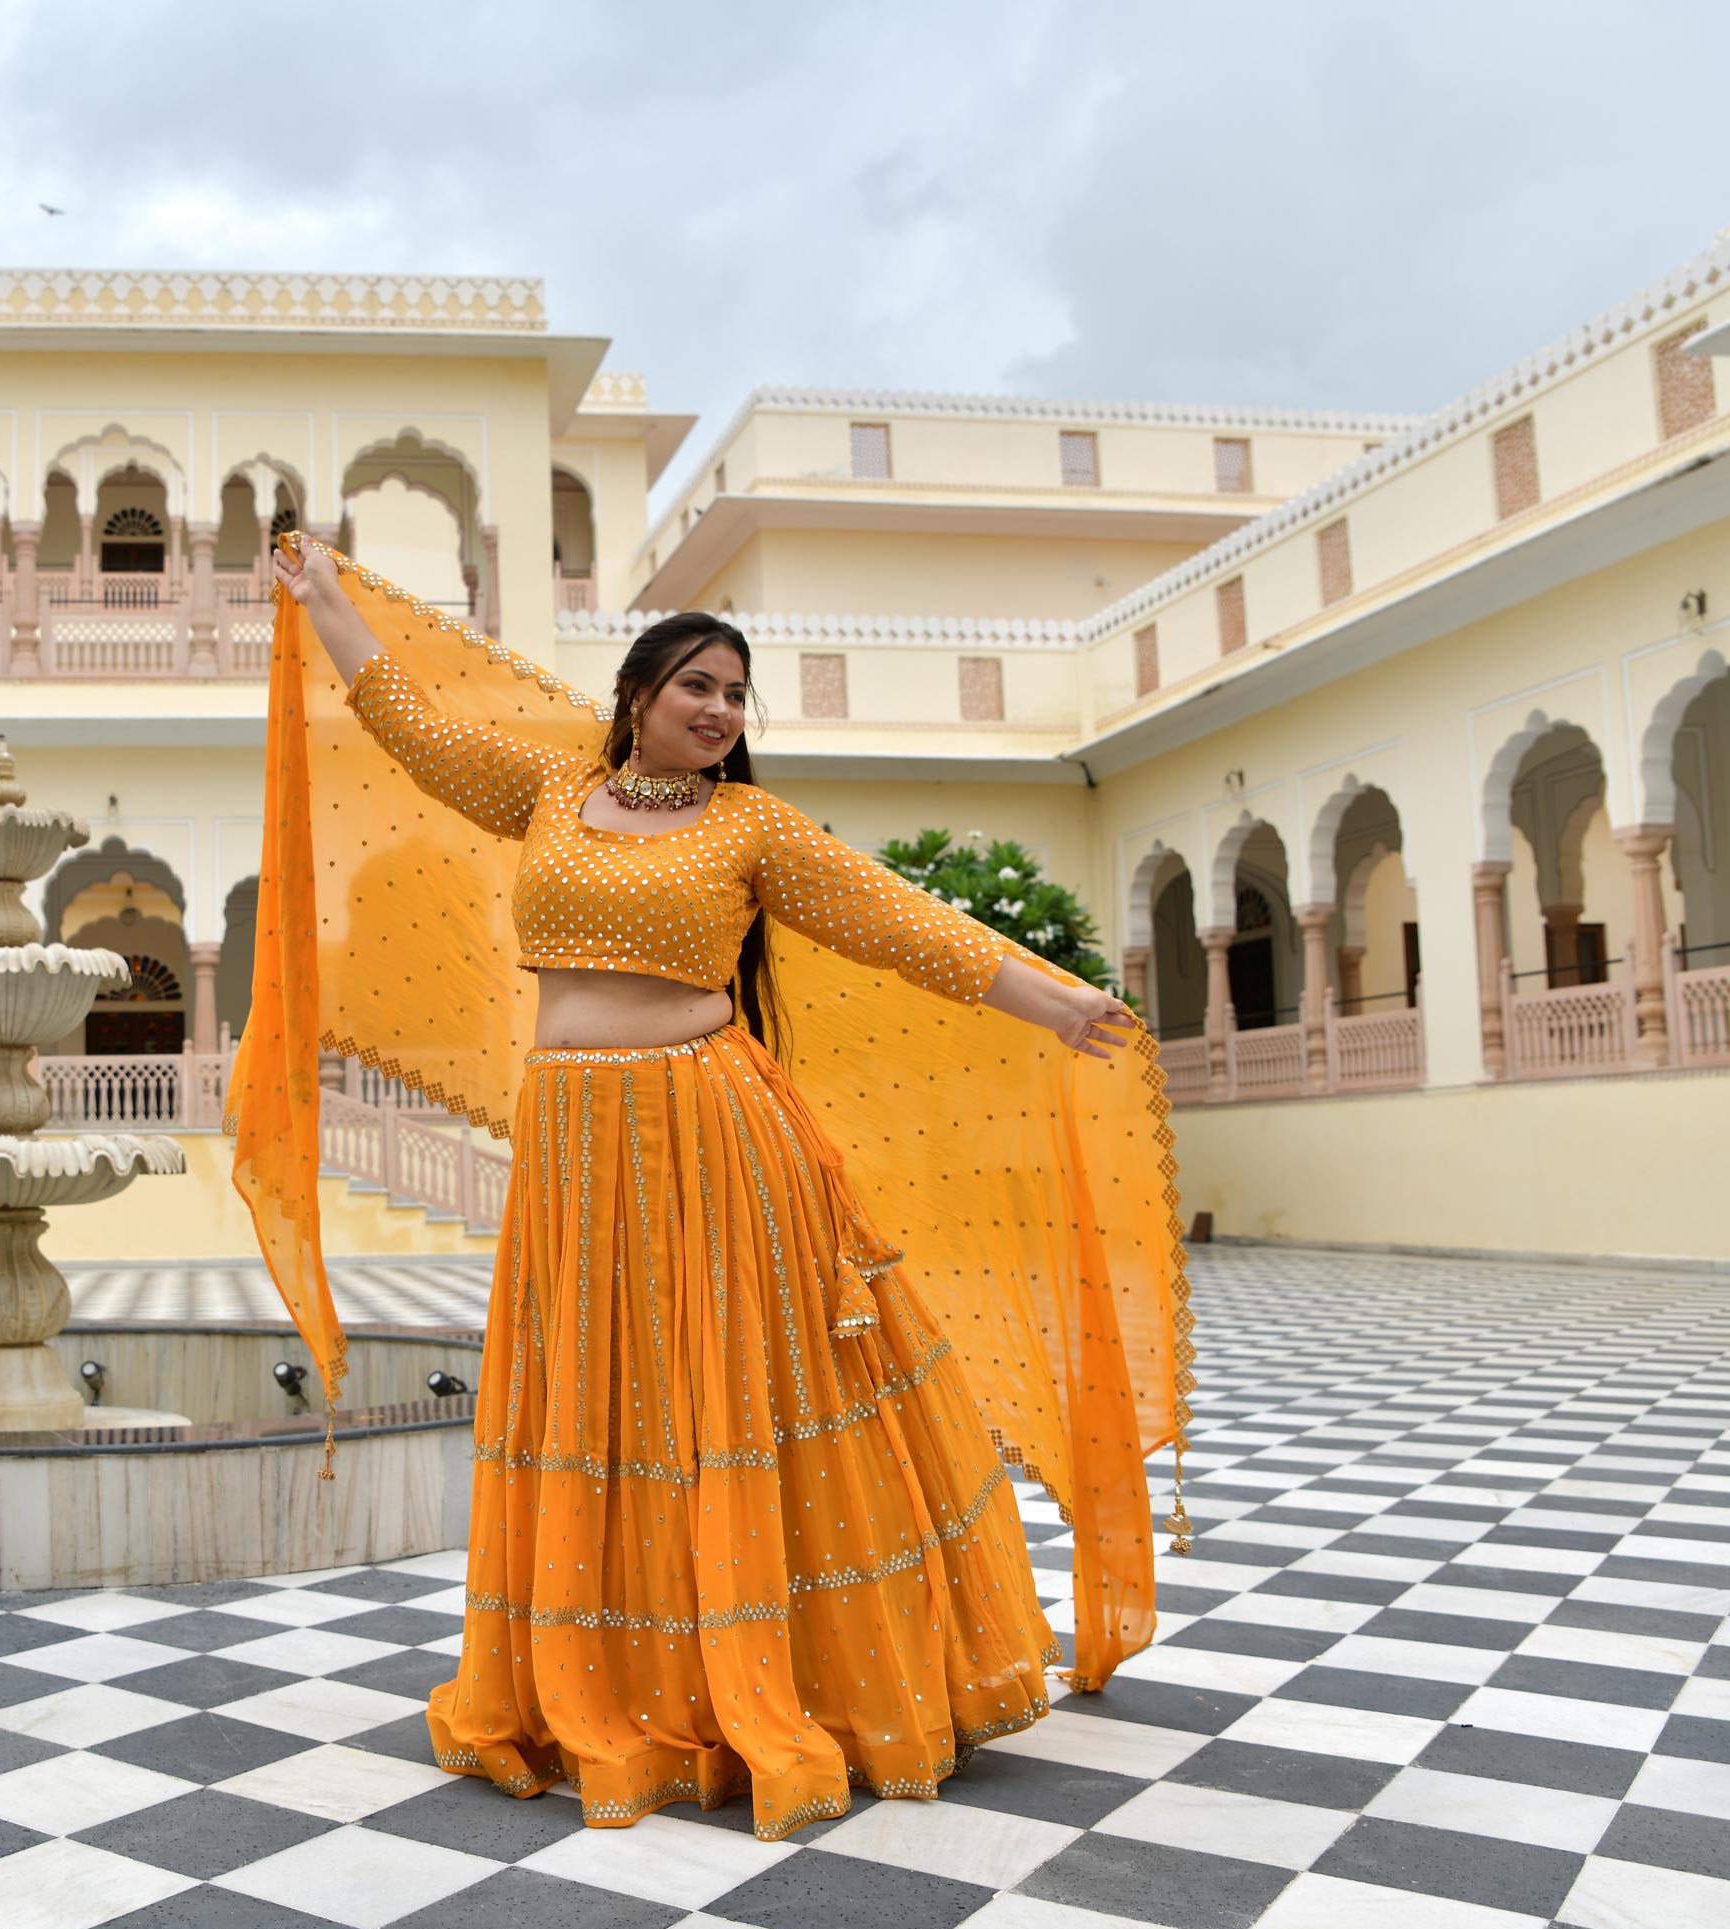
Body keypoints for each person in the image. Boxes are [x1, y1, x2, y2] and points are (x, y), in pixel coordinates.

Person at [236, 537, 1187, 1839]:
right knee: (608, 1396)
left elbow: (904, 925)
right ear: (641, 696)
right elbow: (412, 726)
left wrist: (1060, 999)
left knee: (730, 1390)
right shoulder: (552, 792)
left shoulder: (753, 828)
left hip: (712, 1129)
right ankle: (623, 1675)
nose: (723, 711)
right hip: (572, 1143)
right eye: (702, 685)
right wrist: (326, 602)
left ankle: (809, 1676)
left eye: (739, 697)